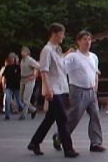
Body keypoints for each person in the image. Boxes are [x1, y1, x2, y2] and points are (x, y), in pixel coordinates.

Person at [27, 23, 78, 158]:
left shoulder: (57, 50)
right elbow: (44, 70)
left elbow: (60, 65)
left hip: (61, 88)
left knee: (50, 119)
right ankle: (68, 148)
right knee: (62, 118)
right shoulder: (47, 50)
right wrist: (48, 89)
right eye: (62, 33)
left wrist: (66, 54)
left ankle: (34, 142)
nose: (63, 36)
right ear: (54, 34)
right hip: (53, 90)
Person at [63, 30, 106, 152]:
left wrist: (95, 85)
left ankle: (95, 143)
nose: (87, 42)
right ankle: (61, 136)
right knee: (74, 117)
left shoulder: (93, 57)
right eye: (84, 39)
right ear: (78, 42)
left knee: (95, 116)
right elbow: (62, 69)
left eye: (89, 39)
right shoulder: (73, 57)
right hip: (77, 89)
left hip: (91, 90)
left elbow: (95, 72)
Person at [19, 46, 40, 120]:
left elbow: (38, 66)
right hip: (23, 79)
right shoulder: (22, 60)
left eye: (24, 51)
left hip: (29, 79)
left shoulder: (30, 60)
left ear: (27, 53)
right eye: (22, 51)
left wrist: (34, 76)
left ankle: (23, 115)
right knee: (21, 98)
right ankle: (33, 110)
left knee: (26, 98)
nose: (22, 53)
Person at [3, 53, 23, 120]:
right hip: (9, 86)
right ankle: (7, 115)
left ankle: (27, 110)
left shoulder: (18, 67)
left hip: (17, 87)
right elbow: (5, 77)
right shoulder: (7, 67)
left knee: (18, 102)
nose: (11, 59)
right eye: (10, 58)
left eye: (12, 58)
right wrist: (4, 86)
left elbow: (21, 77)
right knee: (7, 100)